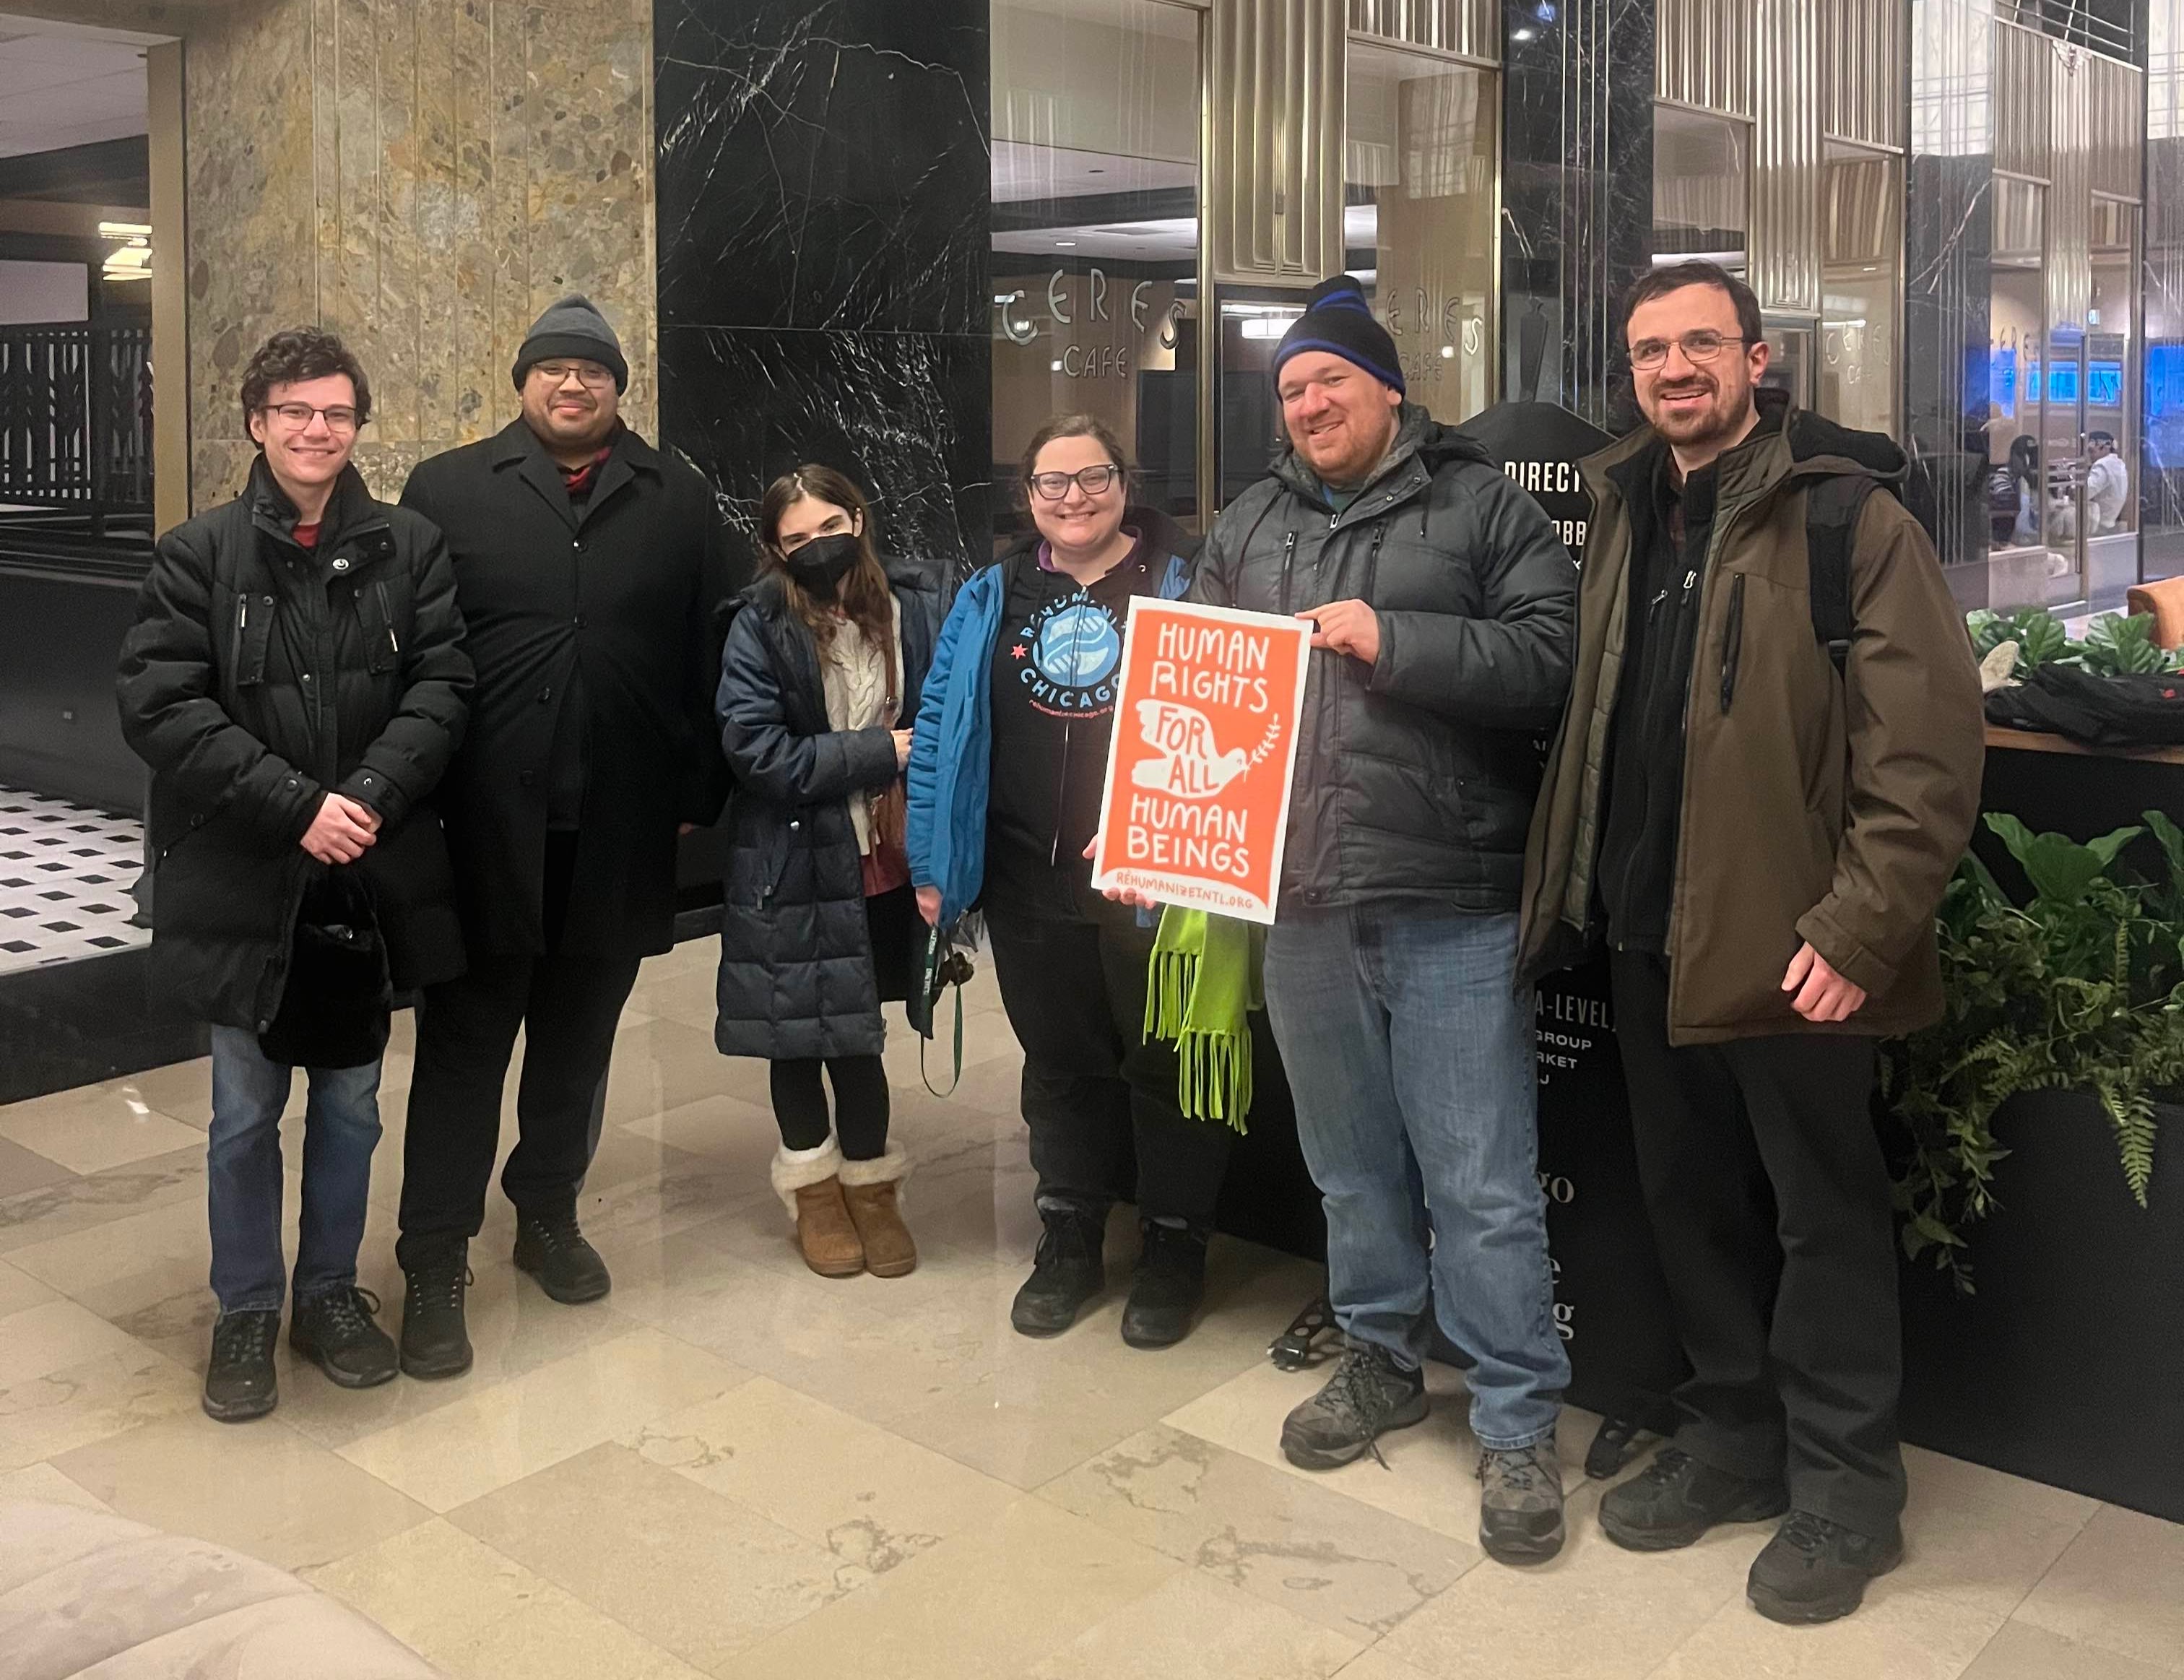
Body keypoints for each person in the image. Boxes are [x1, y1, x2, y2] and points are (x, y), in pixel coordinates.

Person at [1519, 259, 1984, 1624]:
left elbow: (1926, 752)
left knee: (1820, 1219)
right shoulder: (1621, 508)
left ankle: (1845, 1489)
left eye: (1697, 345)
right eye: (1648, 350)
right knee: (1692, 1204)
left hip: (1794, 947)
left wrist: (1853, 926)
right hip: (1648, 930)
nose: (1671, 370)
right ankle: (1731, 1434)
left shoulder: (1844, 516)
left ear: (1755, 358)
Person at [1182, 274, 1578, 1564]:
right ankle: (1377, 1356)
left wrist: (1388, 638)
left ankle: (1516, 1420)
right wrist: (1151, 822)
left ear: (1386, 389)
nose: (1306, 406)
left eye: (1328, 383)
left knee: (1477, 1179)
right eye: (1290, 390)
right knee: (1349, 1164)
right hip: (1296, 901)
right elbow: (1195, 697)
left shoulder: (1478, 503)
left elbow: (1551, 659)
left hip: (1448, 899)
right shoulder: (1245, 522)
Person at [116, 327, 472, 1421]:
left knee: (354, 1104)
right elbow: (163, 705)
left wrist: (359, 798)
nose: (318, 431)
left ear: (357, 426)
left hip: (364, 872)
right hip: (245, 875)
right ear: (258, 422)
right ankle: (246, 1310)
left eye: (338, 414)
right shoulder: (197, 554)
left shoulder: (409, 546)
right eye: (297, 412)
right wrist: (297, 806)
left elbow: (446, 683)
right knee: (242, 1109)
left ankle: (329, 1293)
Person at [392, 295, 740, 1377]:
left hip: (620, 827)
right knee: (464, 1048)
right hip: (483, 826)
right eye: (552, 369)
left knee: (580, 1042)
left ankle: (546, 1207)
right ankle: (435, 1257)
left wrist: (699, 788)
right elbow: (409, 650)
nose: (572, 385)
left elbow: (713, 651)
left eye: (592, 370)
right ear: (522, 384)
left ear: (619, 387)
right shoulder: (447, 489)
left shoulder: (677, 494)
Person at [907, 415, 1231, 1348]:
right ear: (1028, 496)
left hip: (1153, 877)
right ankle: (1071, 1237)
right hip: (1026, 879)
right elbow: (941, 731)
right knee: (1061, 1065)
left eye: (1093, 478)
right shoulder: (991, 593)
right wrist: (936, 867)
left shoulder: (1188, 578)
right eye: (1053, 483)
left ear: (1125, 484)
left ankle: (1174, 1249)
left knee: (1166, 1065)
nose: (1074, 498)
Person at [716, 466, 937, 1278]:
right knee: (800, 1030)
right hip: (794, 857)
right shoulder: (758, 623)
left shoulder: (915, 604)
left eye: (829, 527)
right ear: (774, 548)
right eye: (797, 538)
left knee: (860, 1027)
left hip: (886, 855)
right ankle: (814, 1186)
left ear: (859, 518)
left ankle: (873, 1186)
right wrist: (885, 750)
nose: (817, 547)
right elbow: (755, 749)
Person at [2085, 430, 2129, 535]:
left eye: (2092, 452)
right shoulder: (2118, 463)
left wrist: (2072, 487)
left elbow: (2085, 493)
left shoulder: (2102, 465)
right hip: (2110, 521)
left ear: (2105, 448)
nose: (2090, 456)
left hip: (2099, 524)